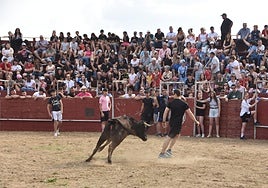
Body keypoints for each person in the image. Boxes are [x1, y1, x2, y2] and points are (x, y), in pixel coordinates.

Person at [158, 89, 200, 158]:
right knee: (169, 137)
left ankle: (169, 150)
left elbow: (166, 112)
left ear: (175, 94)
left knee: (177, 135)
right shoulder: (183, 104)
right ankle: (162, 153)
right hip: (178, 122)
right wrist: (195, 121)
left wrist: (164, 121)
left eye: (173, 94)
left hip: (172, 122)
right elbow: (190, 114)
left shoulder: (171, 103)